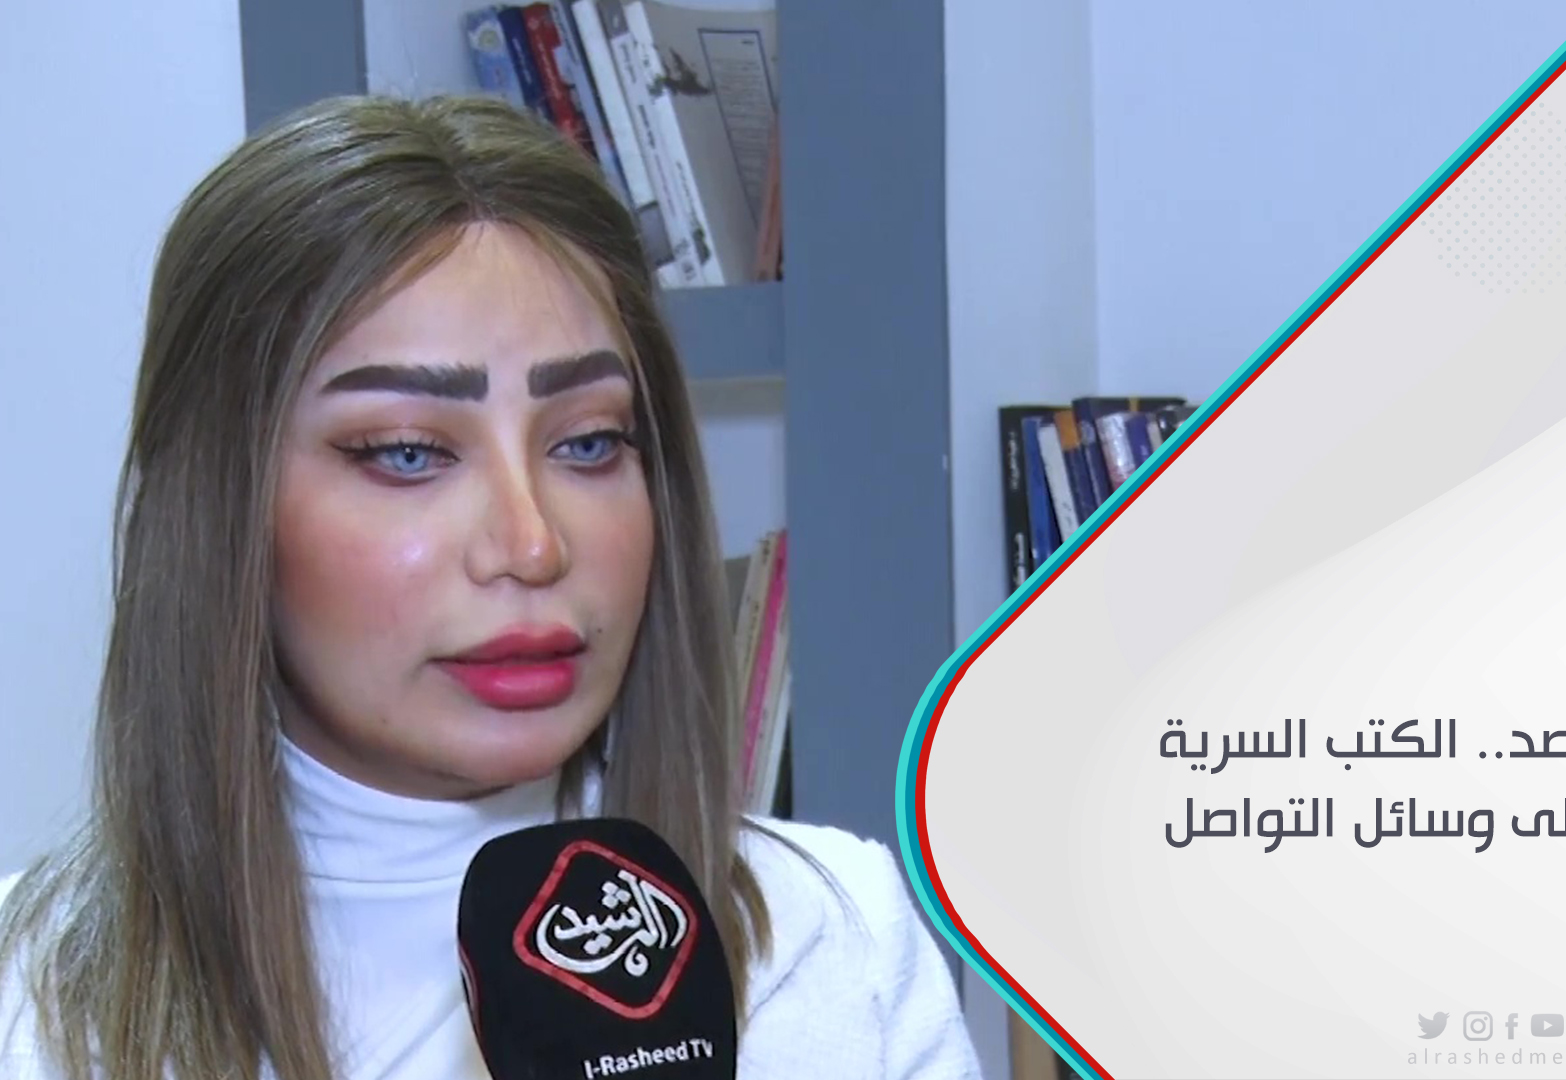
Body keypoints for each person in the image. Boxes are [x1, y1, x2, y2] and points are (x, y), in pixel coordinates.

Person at [0, 95, 981, 1080]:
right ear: (219, 510)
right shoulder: (25, 1012)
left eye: (588, 442)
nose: (531, 543)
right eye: (407, 451)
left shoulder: (836, 951)